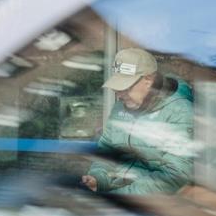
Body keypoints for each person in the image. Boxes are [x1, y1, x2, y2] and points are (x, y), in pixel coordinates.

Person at [82, 48, 194, 195]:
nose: (119, 94)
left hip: (158, 206)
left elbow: (174, 176)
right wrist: (98, 178)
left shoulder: (179, 111)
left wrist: (121, 197)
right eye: (117, 88)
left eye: (125, 87)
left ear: (148, 80)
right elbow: (107, 150)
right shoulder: (120, 108)